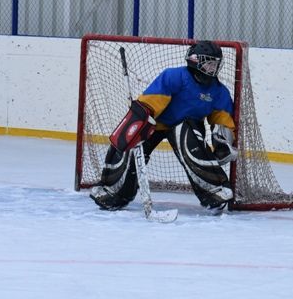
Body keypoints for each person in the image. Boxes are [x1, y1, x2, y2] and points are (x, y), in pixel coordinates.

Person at [90, 40, 238, 212]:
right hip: (155, 123)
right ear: (195, 61)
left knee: (191, 141)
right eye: (209, 64)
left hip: (186, 126)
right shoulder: (175, 76)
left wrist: (222, 143)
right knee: (129, 143)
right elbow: (149, 103)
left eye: (215, 64)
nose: (213, 68)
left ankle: (214, 190)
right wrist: (137, 123)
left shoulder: (219, 91)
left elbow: (223, 122)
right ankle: (112, 191)